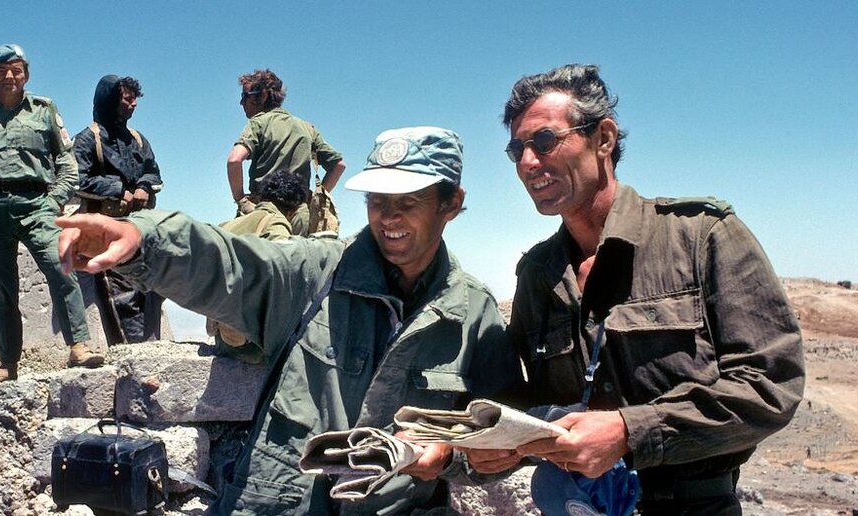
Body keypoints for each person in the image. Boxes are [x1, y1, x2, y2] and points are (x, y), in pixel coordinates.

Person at [57, 126, 520, 514]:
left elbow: (500, 438)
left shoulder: (473, 313)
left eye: (409, 201)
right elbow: (233, 265)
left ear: (451, 204)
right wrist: (143, 241)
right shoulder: (317, 272)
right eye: (378, 200)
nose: (389, 217)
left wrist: (450, 456)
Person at [469, 64, 806, 515]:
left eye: (545, 141)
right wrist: (494, 441)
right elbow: (528, 397)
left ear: (603, 139)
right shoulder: (538, 271)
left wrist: (629, 432)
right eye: (518, 151)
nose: (529, 162)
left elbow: (770, 388)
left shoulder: (701, 236)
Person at [0, 44, 103, 384]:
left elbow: (65, 161)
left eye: (17, 69)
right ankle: (7, 365)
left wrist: (55, 200)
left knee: (62, 270)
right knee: (0, 292)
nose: (10, 76)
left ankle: (79, 347)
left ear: (26, 74)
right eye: (2, 70)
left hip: (37, 204)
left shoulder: (44, 109)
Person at [72, 75, 165, 344]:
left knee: (151, 289)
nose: (133, 104)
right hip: (106, 230)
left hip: (140, 227)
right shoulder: (89, 139)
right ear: (110, 100)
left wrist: (144, 188)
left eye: (136, 99)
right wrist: (117, 190)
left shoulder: (137, 139)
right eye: (127, 98)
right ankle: (131, 351)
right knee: (122, 292)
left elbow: (153, 172)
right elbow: (77, 178)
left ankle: (151, 347)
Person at [227, 68, 346, 235]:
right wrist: (314, 201)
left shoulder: (258, 123)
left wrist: (241, 200)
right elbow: (338, 165)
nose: (241, 102)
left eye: (245, 96)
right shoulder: (306, 128)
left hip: (263, 213)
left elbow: (234, 160)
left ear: (262, 96)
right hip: (300, 213)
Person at [206, 170, 306, 363]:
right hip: (250, 347)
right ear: (293, 210)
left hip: (222, 337)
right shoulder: (276, 223)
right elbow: (286, 276)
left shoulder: (227, 224)